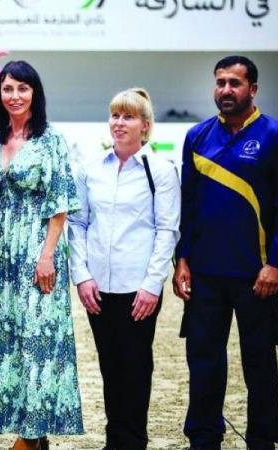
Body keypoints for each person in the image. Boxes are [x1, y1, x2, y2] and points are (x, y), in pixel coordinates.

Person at [174, 55, 278, 450]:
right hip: (205, 276)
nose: (226, 90)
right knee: (204, 363)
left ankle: (262, 439)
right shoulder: (197, 136)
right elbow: (188, 205)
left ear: (253, 89)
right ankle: (203, 437)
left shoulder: (277, 137)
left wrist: (276, 264)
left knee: (259, 364)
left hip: (255, 276)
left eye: (235, 83)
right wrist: (183, 259)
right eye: (220, 82)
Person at [0, 60, 83, 450]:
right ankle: (33, 434)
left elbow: (61, 204)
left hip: (38, 248)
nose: (14, 96)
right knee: (9, 342)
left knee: (39, 340)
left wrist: (47, 255)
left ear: (35, 93)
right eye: (7, 89)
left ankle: (29, 437)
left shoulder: (51, 139)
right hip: (1, 253)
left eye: (22, 88)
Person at [68, 88, 181, 450]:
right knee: (109, 366)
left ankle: (132, 441)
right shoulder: (92, 169)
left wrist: (152, 286)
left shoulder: (161, 171)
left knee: (134, 366)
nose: (119, 123)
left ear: (145, 128)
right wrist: (81, 276)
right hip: (98, 286)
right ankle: (114, 438)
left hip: (139, 288)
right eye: (115, 115)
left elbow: (167, 230)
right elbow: (78, 224)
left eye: (128, 117)